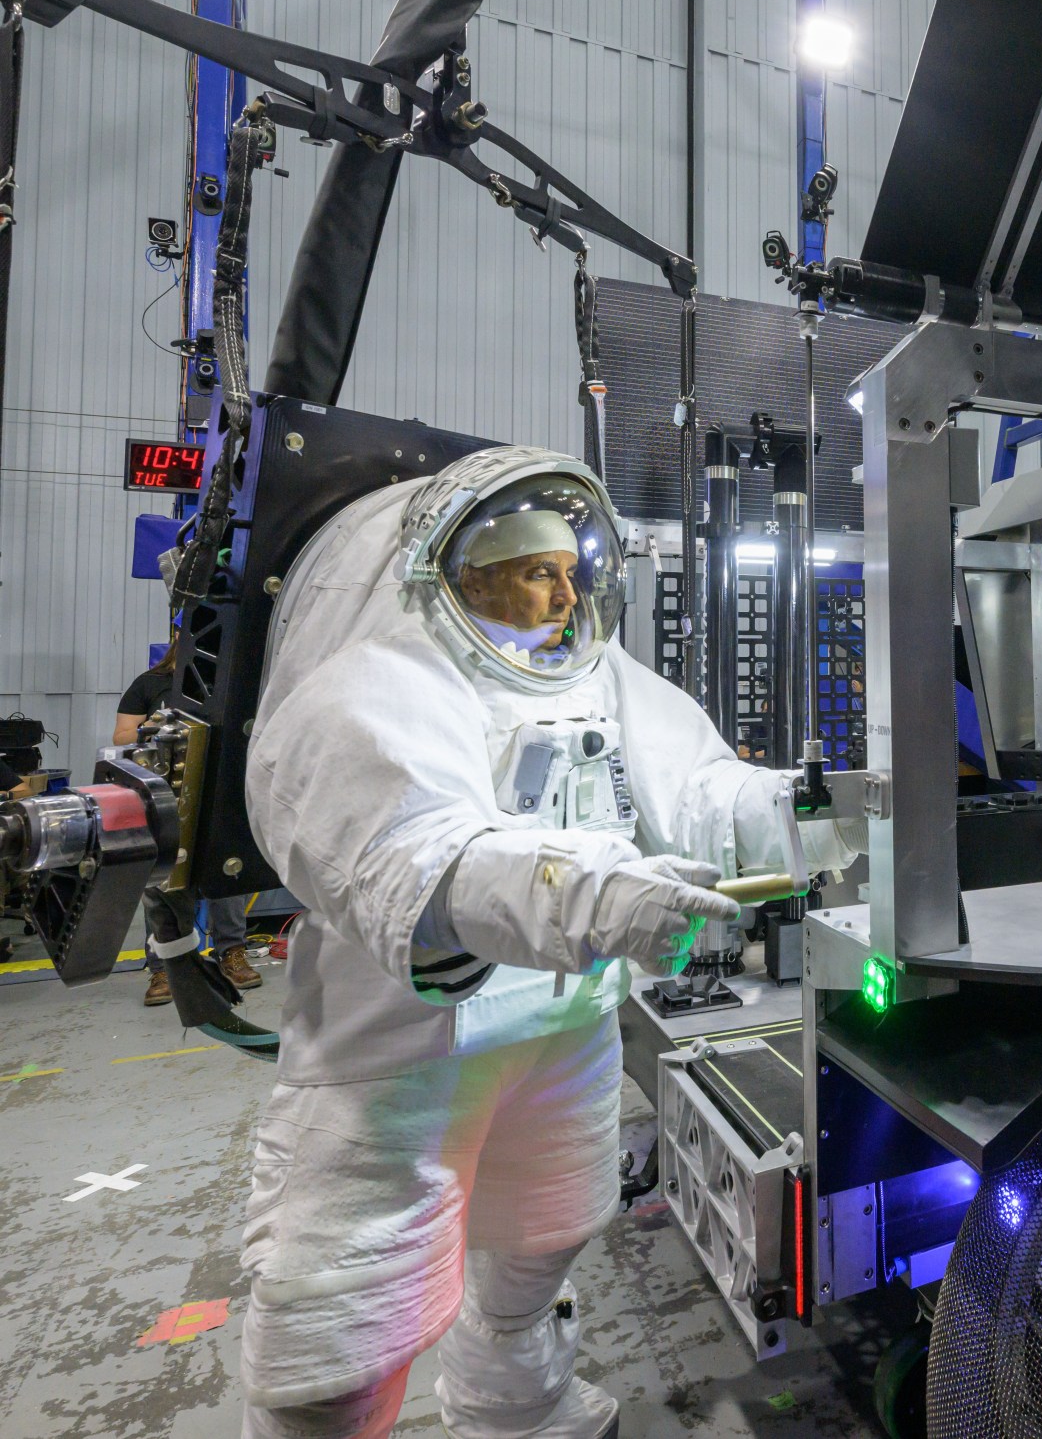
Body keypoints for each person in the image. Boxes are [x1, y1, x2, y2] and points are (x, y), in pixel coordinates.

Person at [236, 447, 855, 1439]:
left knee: (541, 1246)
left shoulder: (596, 675)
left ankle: (516, 1409)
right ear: (465, 573)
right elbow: (422, 863)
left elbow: (696, 790)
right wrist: (601, 896)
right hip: (399, 1060)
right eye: (537, 571)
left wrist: (812, 812)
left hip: (561, 1034)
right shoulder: (372, 689)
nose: (565, 592)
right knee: (344, 1327)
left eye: (573, 570)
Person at [119, 632, 262, 1004]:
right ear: (177, 643)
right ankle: (165, 968)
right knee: (164, 882)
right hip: (166, 797)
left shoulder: (224, 687)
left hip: (216, 796)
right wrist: (156, 725)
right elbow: (121, 736)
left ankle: (231, 952)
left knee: (226, 871)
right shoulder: (150, 684)